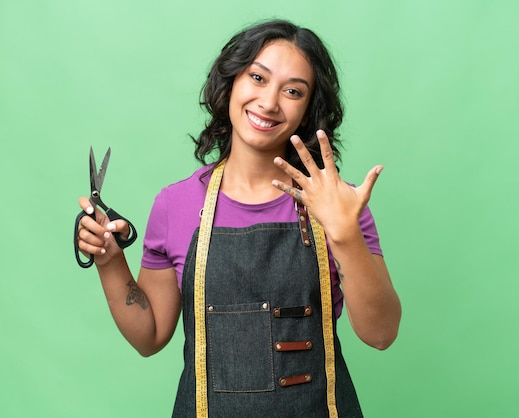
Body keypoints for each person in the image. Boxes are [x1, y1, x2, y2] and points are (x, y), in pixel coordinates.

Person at [76, 19, 401, 417]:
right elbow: (150, 336)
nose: (269, 102)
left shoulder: (340, 203)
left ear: (307, 111)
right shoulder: (174, 204)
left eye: (293, 91)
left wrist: (344, 232)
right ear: (231, 81)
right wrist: (109, 260)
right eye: (258, 78)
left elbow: (382, 334)